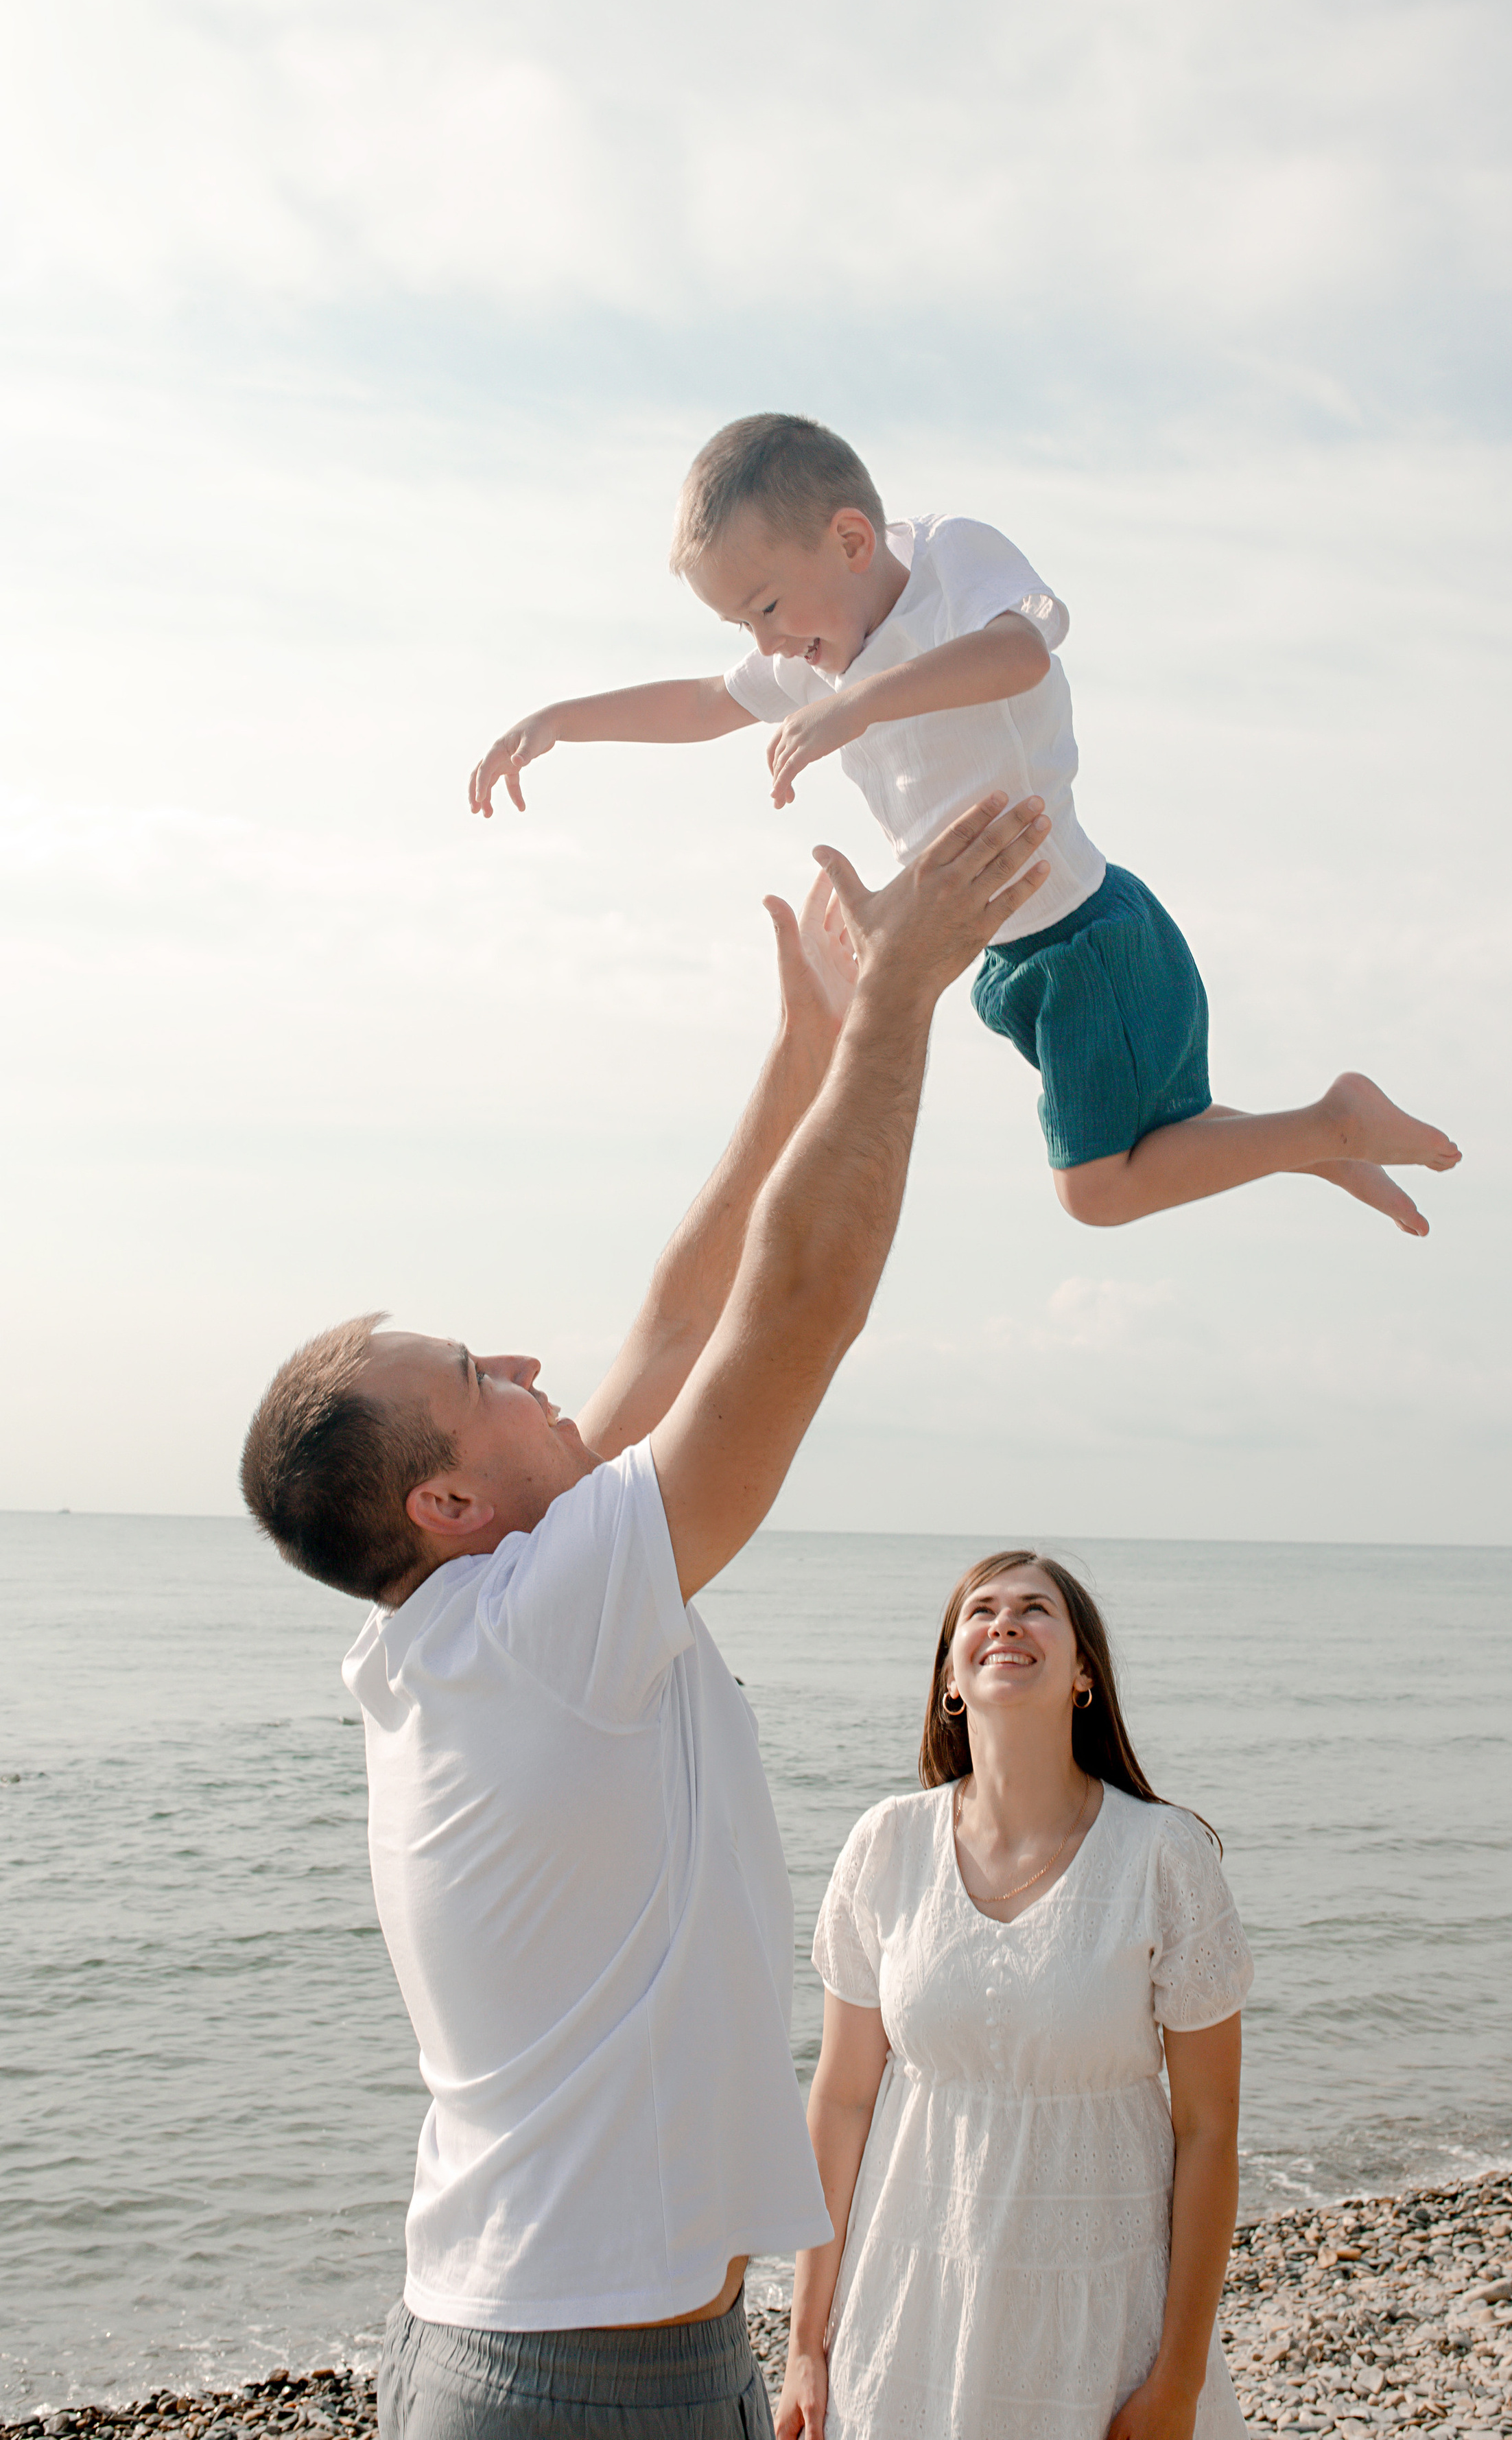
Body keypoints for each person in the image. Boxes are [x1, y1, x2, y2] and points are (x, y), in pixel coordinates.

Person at [237, 794, 1053, 2440]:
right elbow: (792, 1311)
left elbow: (682, 1314)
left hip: (557, 2345)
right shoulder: (542, 1626)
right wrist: (898, 1009)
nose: (534, 1368)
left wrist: (809, 1047)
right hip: (579, 2377)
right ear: (446, 1509)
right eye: (480, 1378)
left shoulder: (472, 1624)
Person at [468, 410, 1461, 1236]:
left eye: (769, 606)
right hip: (1013, 963)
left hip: (1090, 944)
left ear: (853, 541)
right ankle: (1325, 1144)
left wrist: (862, 701)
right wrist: (562, 721)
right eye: (744, 628)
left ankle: (1331, 1123)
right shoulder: (814, 652)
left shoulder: (950, 564)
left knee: (1096, 1192)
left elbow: (1021, 654)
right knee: (1153, 1147)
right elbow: (699, 705)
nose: (768, 643)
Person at [776, 1550, 1254, 2440]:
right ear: (951, 1676)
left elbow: (1209, 2131)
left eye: (1037, 1609)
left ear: (1082, 1674)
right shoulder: (887, 1846)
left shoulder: (1164, 1857)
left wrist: (1180, 2378)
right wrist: (807, 2342)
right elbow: (841, 2103)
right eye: (981, 1612)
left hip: (1100, 2318)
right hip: (908, 2305)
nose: (1006, 1623)